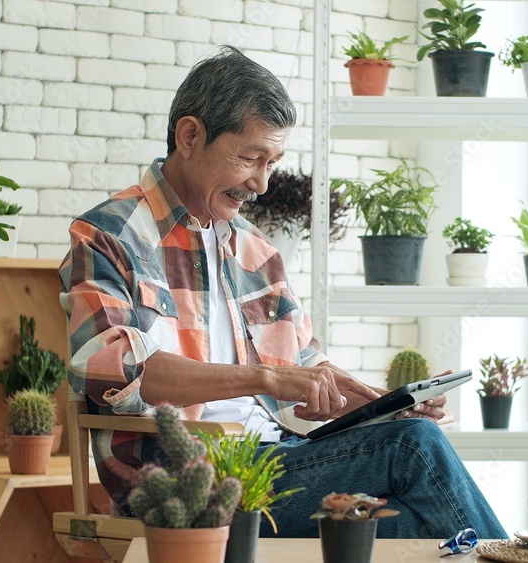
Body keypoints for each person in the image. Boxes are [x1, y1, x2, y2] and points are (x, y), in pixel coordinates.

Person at [59, 45, 505, 539]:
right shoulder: (107, 236)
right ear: (190, 136)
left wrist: (387, 403)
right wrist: (265, 380)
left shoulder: (255, 250)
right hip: (184, 483)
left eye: (273, 162)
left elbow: (308, 376)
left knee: (419, 518)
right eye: (251, 158)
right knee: (413, 449)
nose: (263, 183)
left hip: (281, 461)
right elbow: (109, 371)